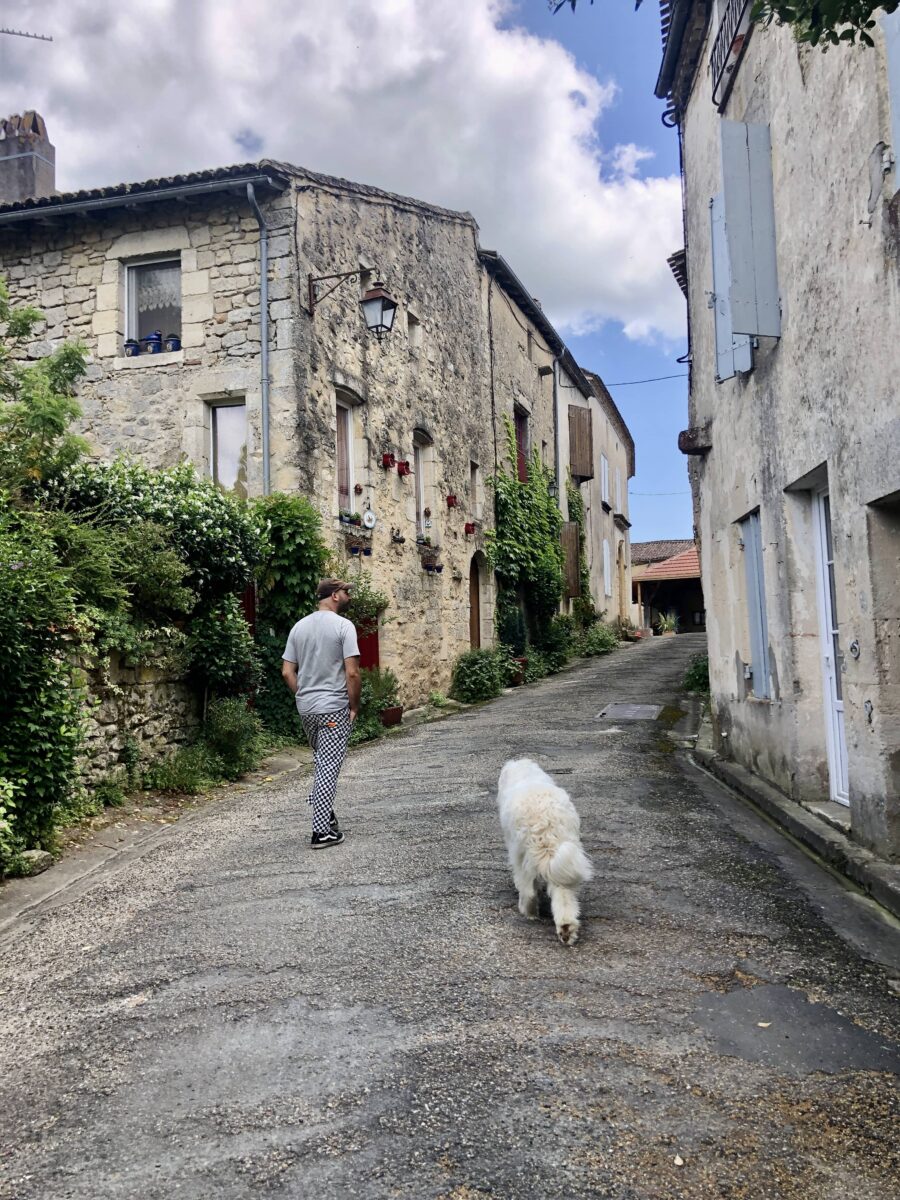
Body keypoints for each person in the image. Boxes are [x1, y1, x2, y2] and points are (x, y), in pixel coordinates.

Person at [282, 579, 361, 848]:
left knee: (321, 762)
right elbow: (352, 672)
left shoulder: (298, 627)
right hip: (333, 708)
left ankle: (324, 813)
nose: (349, 595)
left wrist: (303, 694)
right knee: (328, 766)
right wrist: (353, 706)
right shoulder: (343, 626)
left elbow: (287, 671)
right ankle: (321, 833)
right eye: (346, 591)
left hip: (306, 709)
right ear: (335, 596)